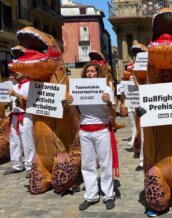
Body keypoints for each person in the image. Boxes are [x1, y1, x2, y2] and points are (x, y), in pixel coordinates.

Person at [67, 62, 117, 210]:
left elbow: (113, 114)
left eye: (92, 71)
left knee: (105, 164)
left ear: (98, 73)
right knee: (87, 165)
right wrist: (71, 104)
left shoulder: (106, 89)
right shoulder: (78, 90)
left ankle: (109, 195)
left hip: (101, 129)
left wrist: (108, 103)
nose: (89, 74)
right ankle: (91, 195)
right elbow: (77, 115)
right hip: (84, 130)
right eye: (87, 71)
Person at [3, 73, 35, 178]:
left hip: (26, 115)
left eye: (18, 71)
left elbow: (33, 100)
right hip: (14, 115)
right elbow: (9, 101)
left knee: (27, 141)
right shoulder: (15, 86)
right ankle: (17, 165)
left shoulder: (31, 84)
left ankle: (30, 167)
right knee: (14, 141)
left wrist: (16, 95)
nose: (15, 74)